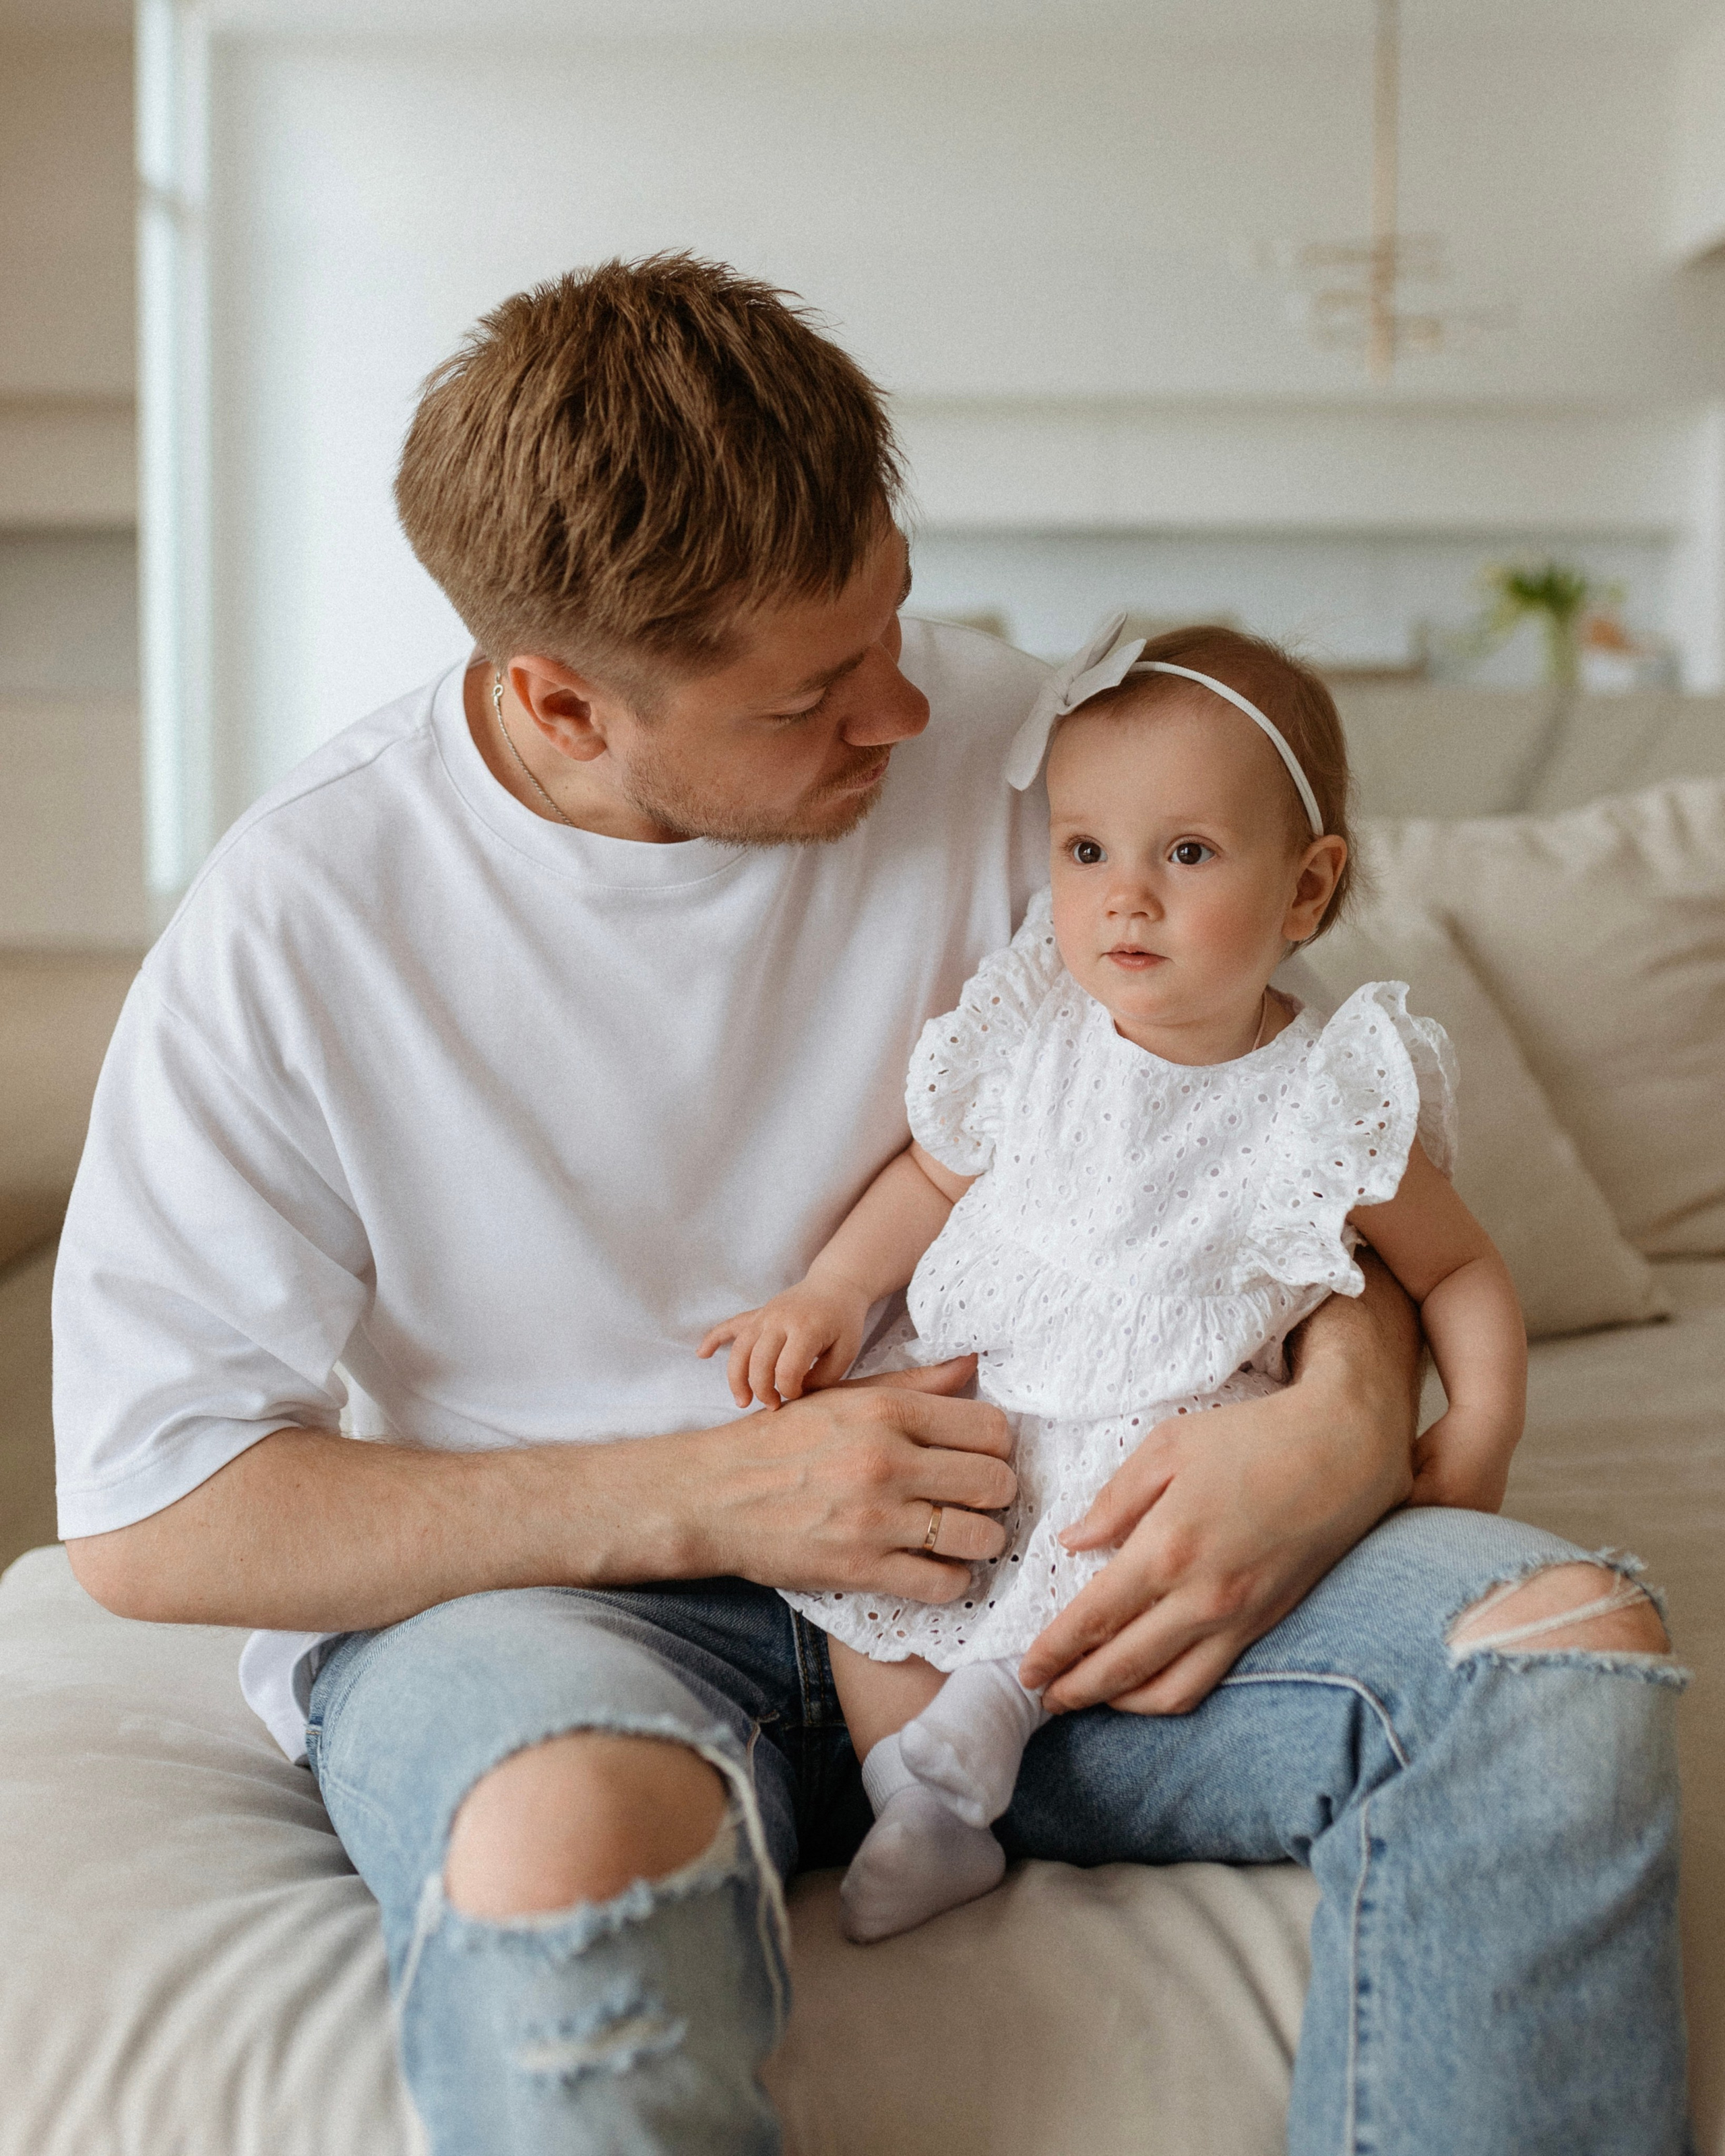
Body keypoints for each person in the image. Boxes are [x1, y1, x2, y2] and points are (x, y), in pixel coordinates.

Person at [53, 256, 1686, 2156]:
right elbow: (153, 1514)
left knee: (1551, 1660)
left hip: (1053, 1561)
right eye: (812, 693)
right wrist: (708, 1492)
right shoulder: (302, 918)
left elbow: (1277, 1131)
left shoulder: (1042, 758)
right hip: (559, 1619)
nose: (904, 707)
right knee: (565, 1845)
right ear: (563, 704)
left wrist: (1341, 1412)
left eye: (895, 611)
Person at [703, 619, 1531, 1943]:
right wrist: (834, 1292)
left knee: (1121, 1547)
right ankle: (912, 1796)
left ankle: (994, 1716)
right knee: (871, 1576)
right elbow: (932, 1174)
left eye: (1185, 853)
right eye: (1085, 849)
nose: (1123, 897)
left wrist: (1480, 1422)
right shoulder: (1038, 1023)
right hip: (985, 1395)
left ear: (1304, 889)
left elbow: (1460, 1268)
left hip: (1160, 1434)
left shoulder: (1321, 1096)